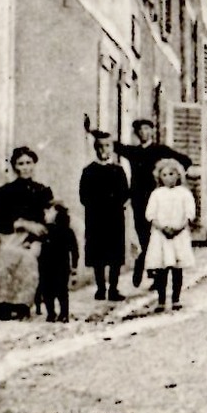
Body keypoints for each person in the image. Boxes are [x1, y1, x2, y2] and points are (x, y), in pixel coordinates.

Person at [114, 118, 191, 290]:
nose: (144, 133)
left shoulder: (160, 150)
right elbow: (115, 146)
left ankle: (153, 273)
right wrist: (91, 132)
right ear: (136, 133)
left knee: (157, 236)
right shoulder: (133, 152)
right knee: (143, 235)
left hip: (158, 199)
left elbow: (185, 160)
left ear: (151, 131)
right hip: (139, 200)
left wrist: (176, 180)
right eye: (140, 130)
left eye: (147, 129)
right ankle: (145, 262)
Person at [0, 146, 52, 318]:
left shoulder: (43, 191)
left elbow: (50, 220)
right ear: (15, 167)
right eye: (21, 163)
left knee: (28, 258)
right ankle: (2, 302)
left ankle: (23, 303)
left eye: (29, 163)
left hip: (36, 239)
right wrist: (21, 224)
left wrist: (35, 233)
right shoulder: (5, 192)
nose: (25, 167)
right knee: (7, 254)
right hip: (11, 235)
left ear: (34, 165)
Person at [78, 129, 134, 302]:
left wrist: (115, 203)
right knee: (98, 254)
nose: (104, 150)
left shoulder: (118, 170)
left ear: (112, 148)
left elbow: (125, 193)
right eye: (100, 146)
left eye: (108, 146)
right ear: (96, 148)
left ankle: (114, 288)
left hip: (115, 217)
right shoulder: (89, 171)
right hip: (95, 217)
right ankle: (100, 288)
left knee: (115, 253)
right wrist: (96, 205)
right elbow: (83, 195)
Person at [144, 157, 198, 313]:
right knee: (161, 269)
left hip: (178, 235)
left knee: (177, 268)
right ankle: (161, 300)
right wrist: (162, 228)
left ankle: (176, 299)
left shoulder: (184, 193)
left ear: (178, 175)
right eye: (164, 175)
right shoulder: (157, 194)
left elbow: (189, 214)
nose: (168, 178)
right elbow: (151, 215)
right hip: (161, 235)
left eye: (171, 174)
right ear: (159, 177)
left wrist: (179, 228)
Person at [37, 201, 79, 323]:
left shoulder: (51, 230)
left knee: (51, 291)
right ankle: (59, 313)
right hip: (57, 265)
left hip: (52, 265)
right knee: (58, 291)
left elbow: (74, 250)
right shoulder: (65, 231)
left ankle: (55, 313)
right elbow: (74, 251)